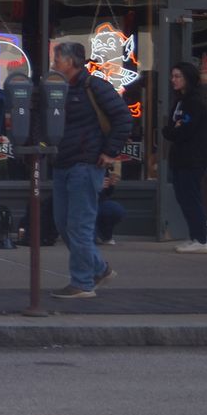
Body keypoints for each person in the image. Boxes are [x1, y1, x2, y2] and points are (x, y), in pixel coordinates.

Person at [48, 41, 133, 300]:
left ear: (72, 62)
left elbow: (123, 118)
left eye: (58, 60)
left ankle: (83, 282)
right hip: (63, 163)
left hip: (85, 164)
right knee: (63, 223)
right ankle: (98, 268)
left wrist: (109, 151)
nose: (54, 65)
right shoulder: (59, 88)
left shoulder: (93, 86)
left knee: (79, 226)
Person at [161, 61, 207, 254]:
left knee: (191, 198)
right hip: (180, 158)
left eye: (177, 76)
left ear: (188, 78)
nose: (173, 80)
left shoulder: (194, 102)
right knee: (183, 198)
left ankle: (200, 239)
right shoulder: (180, 100)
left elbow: (182, 131)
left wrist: (173, 130)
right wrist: (172, 130)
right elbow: (169, 129)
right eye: (172, 76)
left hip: (193, 158)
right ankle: (194, 237)